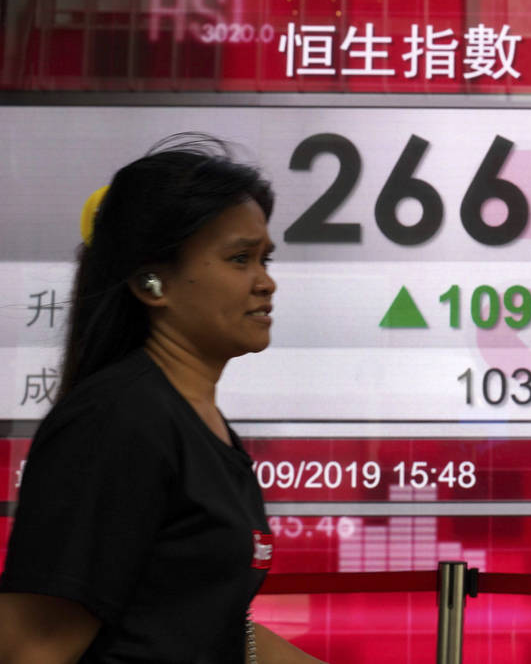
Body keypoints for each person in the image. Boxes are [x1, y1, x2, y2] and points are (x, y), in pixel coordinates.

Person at [0, 135, 324, 663]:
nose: (266, 283)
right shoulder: (117, 419)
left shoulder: (201, 425)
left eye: (265, 259)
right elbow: (30, 648)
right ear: (152, 283)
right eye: (239, 259)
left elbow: (210, 629)